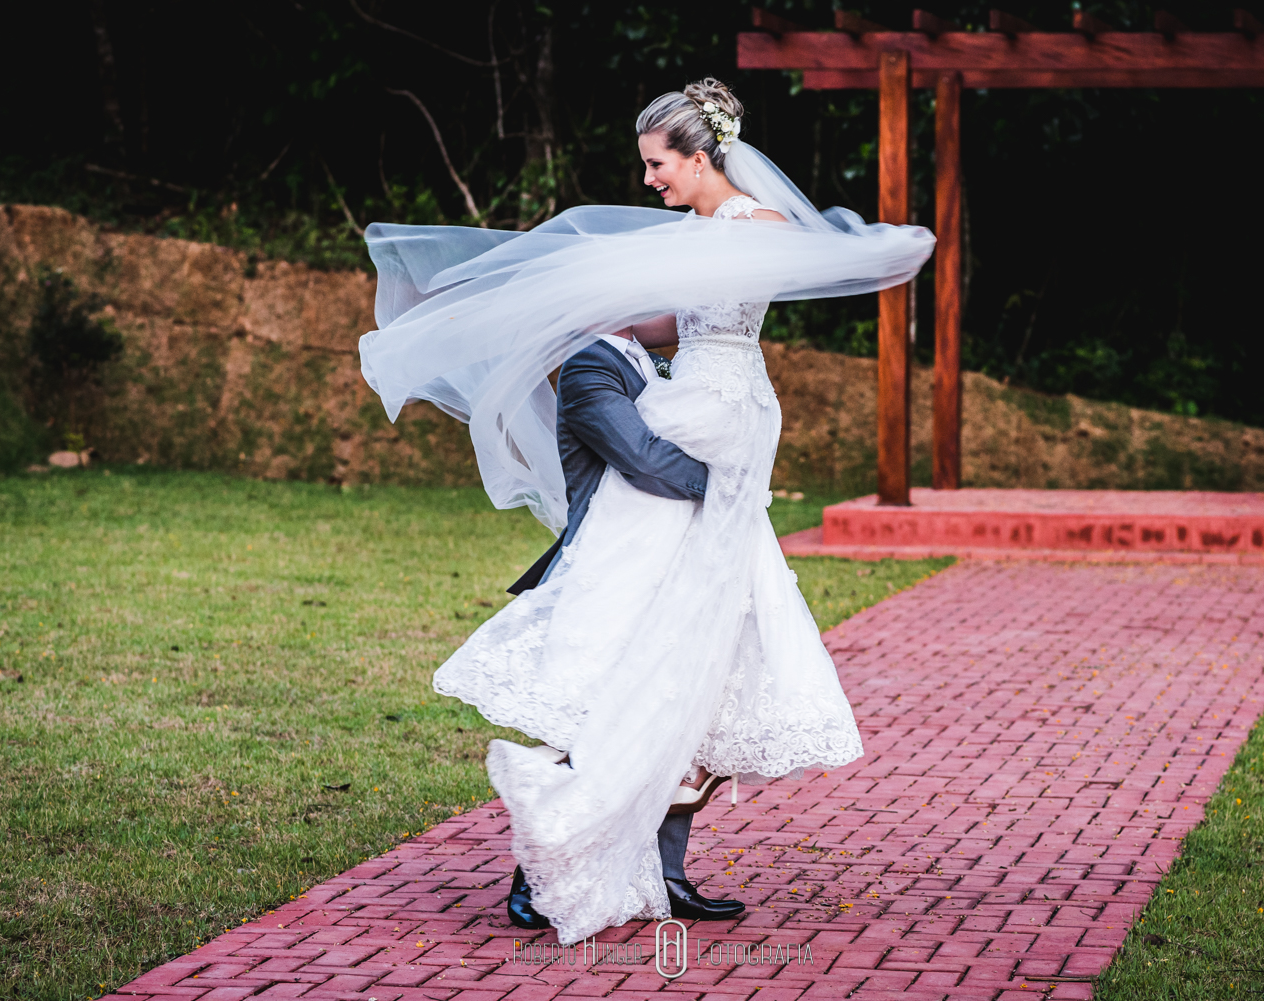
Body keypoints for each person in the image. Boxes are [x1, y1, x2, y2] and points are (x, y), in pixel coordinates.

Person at [358, 78, 935, 946]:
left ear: (701, 158)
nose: (650, 179)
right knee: (639, 650)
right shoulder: (699, 238)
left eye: (659, 164)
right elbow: (680, 323)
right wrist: (574, 315)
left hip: (723, 412)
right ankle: (554, 857)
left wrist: (879, 251)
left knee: (702, 659)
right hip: (702, 422)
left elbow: (770, 284)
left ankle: (660, 870)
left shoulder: (751, 228)